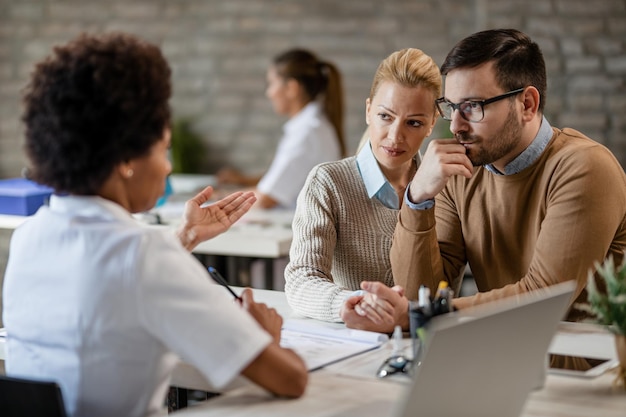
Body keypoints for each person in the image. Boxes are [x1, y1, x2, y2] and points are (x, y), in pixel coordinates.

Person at [2, 32, 307, 417]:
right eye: (163, 149)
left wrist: (185, 237)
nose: (167, 167)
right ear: (126, 159)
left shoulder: (30, 236)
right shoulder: (146, 256)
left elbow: (109, 282)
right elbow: (291, 380)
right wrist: (264, 338)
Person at [354, 28, 626, 333]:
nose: (456, 125)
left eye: (473, 106)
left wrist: (428, 313)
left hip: (590, 371)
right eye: (452, 107)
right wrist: (418, 198)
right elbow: (422, 294)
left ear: (527, 104)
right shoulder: (460, 172)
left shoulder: (585, 167)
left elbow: (544, 298)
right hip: (497, 356)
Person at [284, 48, 441, 333]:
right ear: (368, 110)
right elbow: (301, 280)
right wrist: (355, 302)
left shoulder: (446, 190)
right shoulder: (328, 183)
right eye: (385, 116)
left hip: (431, 345)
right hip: (357, 343)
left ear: (432, 123)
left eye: (414, 122)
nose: (395, 136)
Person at [217, 48, 346, 209]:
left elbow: (266, 198)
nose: (268, 93)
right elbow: (285, 179)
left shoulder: (307, 133)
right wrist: (244, 180)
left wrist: (219, 197)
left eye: (271, 83)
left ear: (292, 88)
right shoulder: (312, 125)